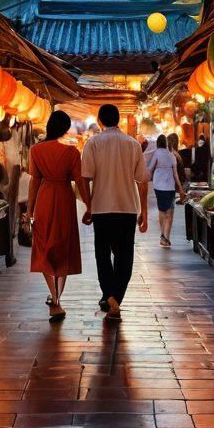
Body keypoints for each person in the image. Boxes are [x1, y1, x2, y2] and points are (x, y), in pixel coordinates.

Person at [81, 103, 149, 322]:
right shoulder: (133, 144)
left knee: (102, 254)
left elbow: (85, 177)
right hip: (127, 208)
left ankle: (110, 296)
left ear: (100, 121)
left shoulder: (93, 143)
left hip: (102, 208)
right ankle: (115, 298)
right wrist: (144, 212)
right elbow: (143, 180)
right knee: (124, 256)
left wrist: (88, 205)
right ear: (118, 120)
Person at [27, 109, 91, 323]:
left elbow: (34, 181)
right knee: (63, 245)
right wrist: (89, 206)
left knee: (45, 245)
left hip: (44, 198)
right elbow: (80, 181)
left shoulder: (35, 150)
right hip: (64, 199)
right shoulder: (72, 153)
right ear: (65, 129)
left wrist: (29, 210)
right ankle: (57, 298)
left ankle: (54, 297)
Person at [147, 134, 186, 247]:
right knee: (169, 212)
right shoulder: (171, 156)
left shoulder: (157, 153)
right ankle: (165, 237)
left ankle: (163, 236)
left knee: (162, 211)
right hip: (170, 187)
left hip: (158, 186)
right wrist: (181, 189)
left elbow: (150, 168)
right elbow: (176, 175)